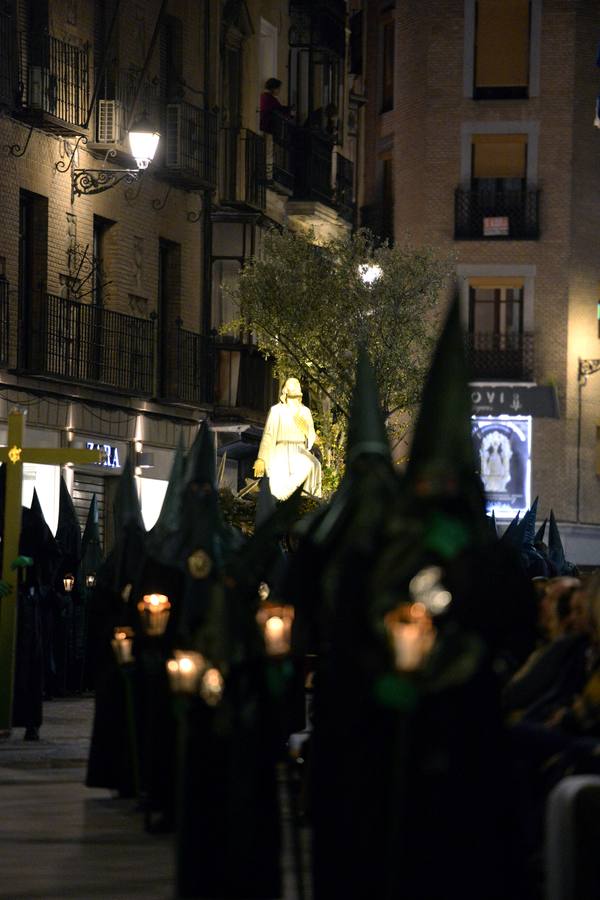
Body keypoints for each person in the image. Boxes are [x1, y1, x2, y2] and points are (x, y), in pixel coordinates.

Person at [253, 377, 322, 500]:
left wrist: (306, 430)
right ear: (285, 393)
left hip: (300, 449)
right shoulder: (277, 411)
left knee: (313, 465)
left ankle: (306, 499)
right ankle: (280, 500)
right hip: (281, 449)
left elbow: (312, 435)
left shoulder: (305, 411)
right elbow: (268, 434)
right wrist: (261, 458)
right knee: (278, 479)